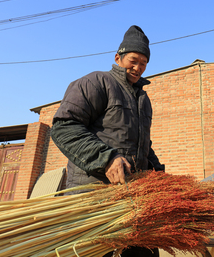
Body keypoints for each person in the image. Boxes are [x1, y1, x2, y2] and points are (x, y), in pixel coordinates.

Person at [50, 25, 164, 257]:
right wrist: (107, 159)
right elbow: (64, 127)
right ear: (117, 57)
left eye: (144, 63)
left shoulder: (143, 99)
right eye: (133, 60)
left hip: (130, 200)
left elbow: (144, 144)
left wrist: (159, 174)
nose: (138, 67)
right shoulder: (96, 83)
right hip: (93, 199)